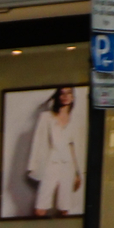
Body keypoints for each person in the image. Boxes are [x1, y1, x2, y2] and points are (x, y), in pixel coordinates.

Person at [27, 87, 83, 217]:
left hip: (67, 165)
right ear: (57, 97)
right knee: (40, 207)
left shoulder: (74, 120)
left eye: (69, 93)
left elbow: (74, 147)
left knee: (65, 207)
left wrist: (78, 172)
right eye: (62, 94)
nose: (65, 96)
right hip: (50, 163)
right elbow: (38, 141)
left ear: (73, 97)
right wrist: (33, 166)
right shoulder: (46, 117)